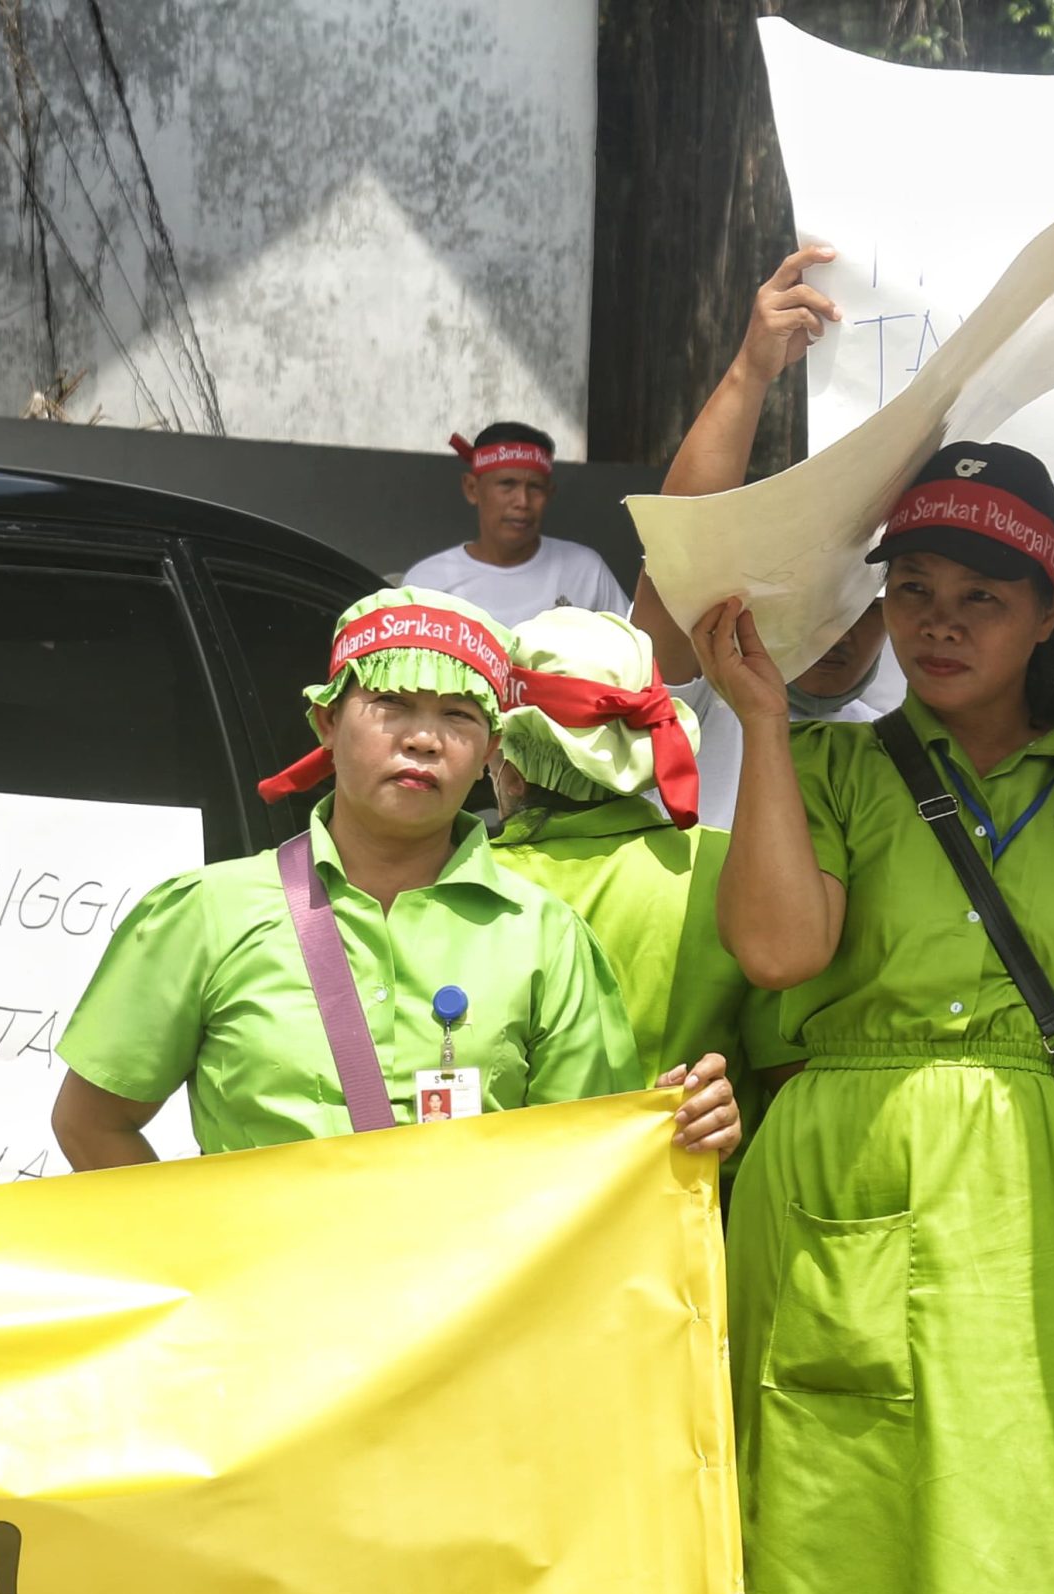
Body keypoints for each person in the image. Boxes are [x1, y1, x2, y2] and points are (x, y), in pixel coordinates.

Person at [698, 442, 1054, 1594]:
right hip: (845, 1182)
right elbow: (778, 949)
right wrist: (764, 721)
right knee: (849, 1564)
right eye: (912, 588)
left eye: (980, 596)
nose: (936, 622)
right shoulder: (830, 763)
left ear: (1052, 611)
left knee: (1031, 1554)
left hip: (1034, 1203)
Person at [49, 589, 710, 1167]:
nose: (424, 739)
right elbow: (91, 1122)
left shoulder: (546, 938)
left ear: (490, 750)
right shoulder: (206, 914)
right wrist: (206, 1269)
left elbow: (588, 1164)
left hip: (475, 1312)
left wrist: (684, 1130)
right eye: (392, 704)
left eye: (458, 715)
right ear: (328, 723)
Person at [630, 246, 904, 831]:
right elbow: (683, 541)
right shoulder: (699, 712)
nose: (842, 629)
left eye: (869, 607)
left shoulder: (898, 755)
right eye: (821, 595)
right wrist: (749, 373)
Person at [485, 605, 751, 1155]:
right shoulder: (728, 868)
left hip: (512, 1219)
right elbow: (789, 1072)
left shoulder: (465, 886)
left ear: (509, 771)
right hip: (688, 1215)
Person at [403, 422, 630, 625]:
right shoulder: (426, 584)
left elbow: (634, 657)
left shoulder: (585, 571)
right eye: (507, 484)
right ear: (472, 489)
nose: (522, 502)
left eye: (535, 487)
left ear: (550, 494)